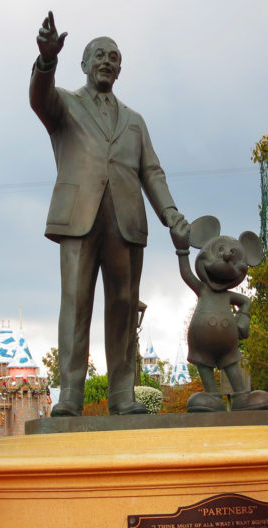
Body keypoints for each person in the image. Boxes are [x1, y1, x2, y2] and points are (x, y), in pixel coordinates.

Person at [30, 12, 189, 417]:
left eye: (114, 57)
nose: (107, 61)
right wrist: (46, 61)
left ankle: (122, 394)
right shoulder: (64, 103)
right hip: (78, 218)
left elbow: (151, 172)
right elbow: (39, 98)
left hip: (126, 221)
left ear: (120, 69)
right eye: (99, 55)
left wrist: (171, 215)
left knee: (123, 304)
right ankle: (70, 395)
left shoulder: (135, 121)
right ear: (83, 64)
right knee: (76, 303)